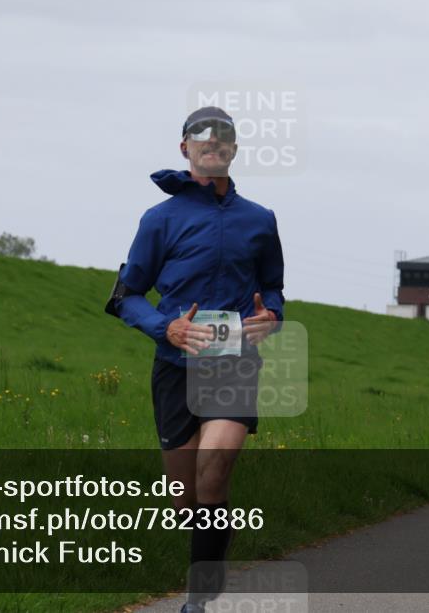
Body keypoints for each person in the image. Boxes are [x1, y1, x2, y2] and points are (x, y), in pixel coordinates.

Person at [106, 106, 285, 613]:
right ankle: (211, 554)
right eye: (201, 135)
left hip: (233, 362)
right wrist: (169, 327)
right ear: (184, 148)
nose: (213, 141)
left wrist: (270, 314)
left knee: (216, 465)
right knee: (185, 498)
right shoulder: (159, 219)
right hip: (175, 366)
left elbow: (272, 287)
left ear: (233, 149)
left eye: (223, 135)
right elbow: (127, 295)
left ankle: (197, 600)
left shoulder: (260, 219)